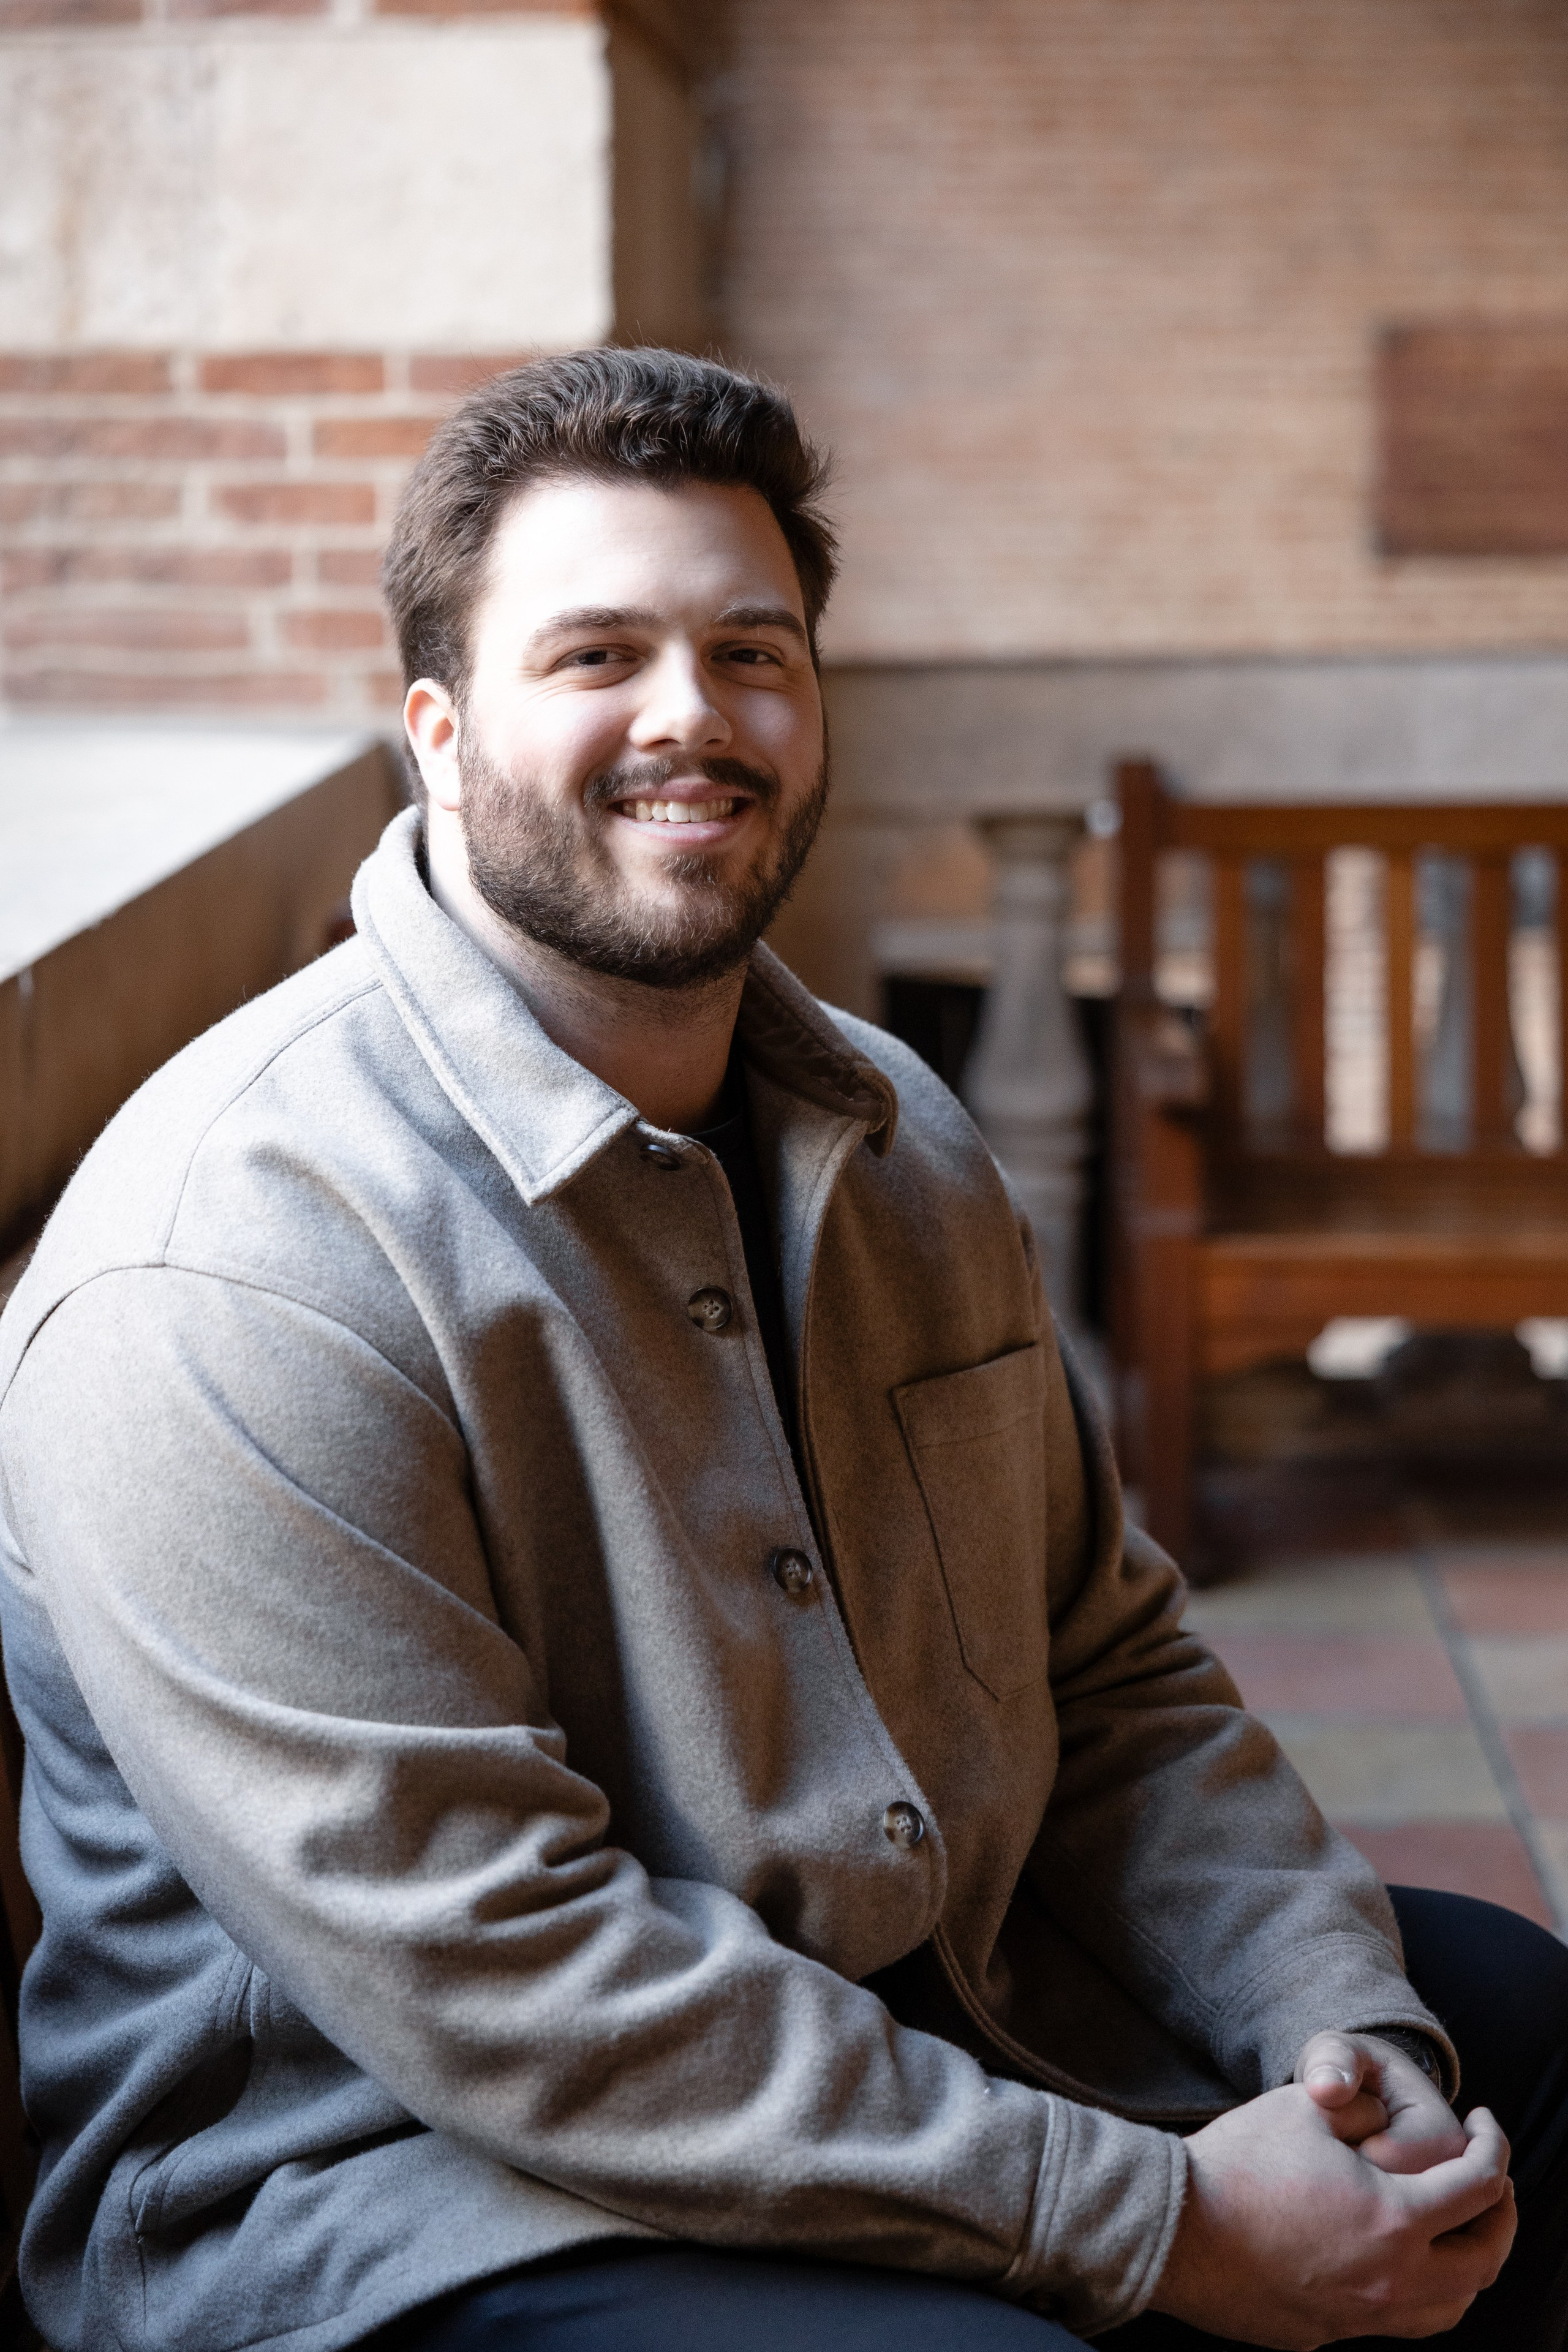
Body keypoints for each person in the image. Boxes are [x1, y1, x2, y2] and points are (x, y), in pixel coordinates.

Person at [0, 348, 1561, 2352]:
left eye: (755, 651)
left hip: (914, 1994)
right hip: (391, 2187)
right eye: (598, 654)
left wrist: (1333, 2025)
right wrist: (1157, 2215)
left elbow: (1110, 1674)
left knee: (1501, 2043)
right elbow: (505, 1980)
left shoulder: (907, 1140)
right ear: (436, 730)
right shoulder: (224, 1267)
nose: (692, 717)